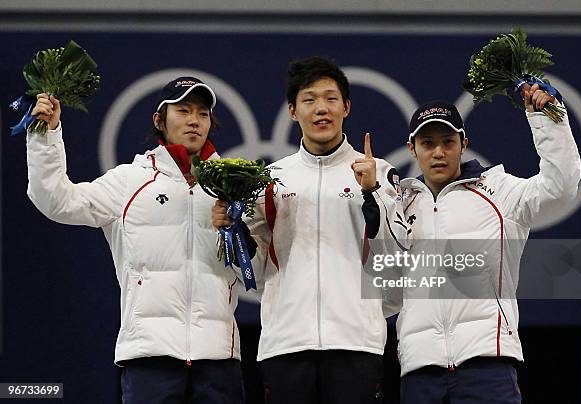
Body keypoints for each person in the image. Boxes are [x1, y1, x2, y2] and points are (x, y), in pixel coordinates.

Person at [26, 77, 245, 403]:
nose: (193, 121)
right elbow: (57, 201)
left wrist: (236, 231)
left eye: (202, 113)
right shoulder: (130, 181)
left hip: (218, 360)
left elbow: (257, 270)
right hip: (149, 358)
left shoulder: (232, 185)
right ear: (159, 120)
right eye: (183, 110)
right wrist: (45, 137)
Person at [212, 56, 409, 403]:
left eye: (331, 99)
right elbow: (253, 273)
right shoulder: (269, 180)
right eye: (310, 99)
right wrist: (233, 230)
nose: (322, 109)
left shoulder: (379, 174)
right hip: (286, 343)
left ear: (346, 107)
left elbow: (396, 262)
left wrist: (372, 193)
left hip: (356, 343)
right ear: (292, 110)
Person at [396, 85, 581, 403]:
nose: (438, 152)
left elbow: (560, 190)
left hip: (487, 365)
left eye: (448, 142)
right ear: (411, 148)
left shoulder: (499, 192)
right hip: (419, 371)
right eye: (427, 143)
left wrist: (549, 120)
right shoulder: (397, 205)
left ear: (463, 144)